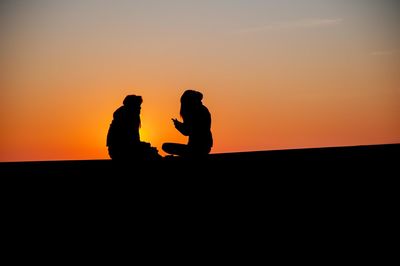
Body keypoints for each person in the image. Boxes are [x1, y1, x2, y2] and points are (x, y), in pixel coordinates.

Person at [106, 94, 160, 161]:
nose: (140, 108)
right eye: (138, 106)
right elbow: (129, 143)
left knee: (151, 151)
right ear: (132, 106)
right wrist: (144, 146)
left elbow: (133, 142)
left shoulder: (127, 116)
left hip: (121, 150)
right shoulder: (126, 118)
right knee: (152, 153)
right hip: (120, 152)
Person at [162, 89, 213, 158]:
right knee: (166, 146)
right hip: (203, 147)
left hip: (198, 148)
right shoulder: (202, 109)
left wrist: (178, 125)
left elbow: (187, 131)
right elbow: (190, 129)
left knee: (165, 146)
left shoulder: (195, 111)